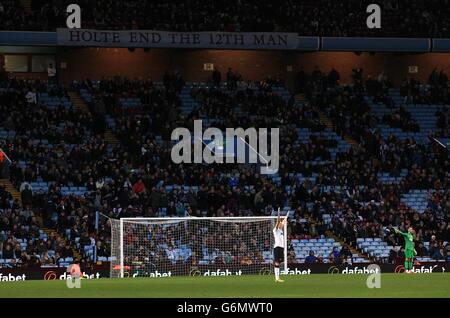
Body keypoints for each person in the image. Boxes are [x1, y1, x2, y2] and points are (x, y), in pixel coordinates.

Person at [273, 207, 287, 283]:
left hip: (281, 248)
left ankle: (277, 277)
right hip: (277, 247)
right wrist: (278, 213)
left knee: (279, 262)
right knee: (277, 262)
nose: (281, 224)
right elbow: (278, 221)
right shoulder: (275, 230)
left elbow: (284, 221)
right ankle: (277, 278)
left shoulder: (281, 230)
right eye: (280, 224)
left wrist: (286, 216)